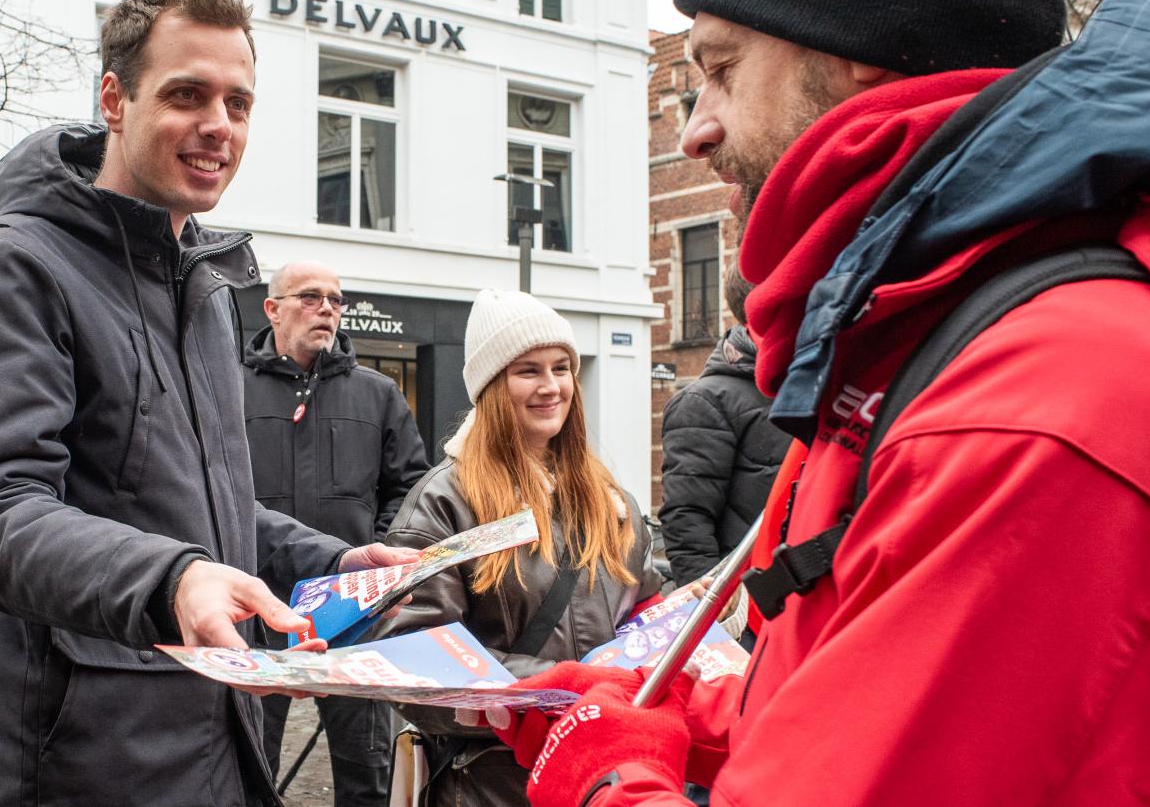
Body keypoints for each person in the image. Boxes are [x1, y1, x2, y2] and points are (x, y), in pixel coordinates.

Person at [482, 0, 1150, 804]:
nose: (695, 131)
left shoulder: (1030, 398)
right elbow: (848, 706)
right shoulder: (915, 333)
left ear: (864, 32)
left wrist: (604, 777)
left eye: (722, 70)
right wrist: (664, 713)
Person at [0, 0, 415, 807]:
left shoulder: (204, 290)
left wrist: (335, 562)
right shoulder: (14, 264)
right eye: (187, 94)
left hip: (216, 750)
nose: (218, 125)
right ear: (113, 100)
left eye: (239, 102)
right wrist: (173, 581)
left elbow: (209, 511)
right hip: (82, 771)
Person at [378, 289, 665, 806]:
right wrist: (566, 689)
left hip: (604, 776)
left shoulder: (611, 499)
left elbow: (644, 612)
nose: (551, 386)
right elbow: (413, 660)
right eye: (528, 371)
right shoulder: (445, 501)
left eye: (561, 368)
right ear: (492, 387)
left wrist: (689, 625)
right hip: (491, 783)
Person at [242, 258, 429, 801]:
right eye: (310, 297)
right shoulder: (228, 388)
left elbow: (409, 490)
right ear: (272, 309)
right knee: (248, 761)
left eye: (335, 299)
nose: (326, 308)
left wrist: (382, 559)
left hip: (351, 614)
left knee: (366, 767)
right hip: (257, 609)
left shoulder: (378, 394)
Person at [658, 265, 789, 597]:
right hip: (749, 606)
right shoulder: (704, 401)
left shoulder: (805, 386)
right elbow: (687, 520)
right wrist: (715, 612)